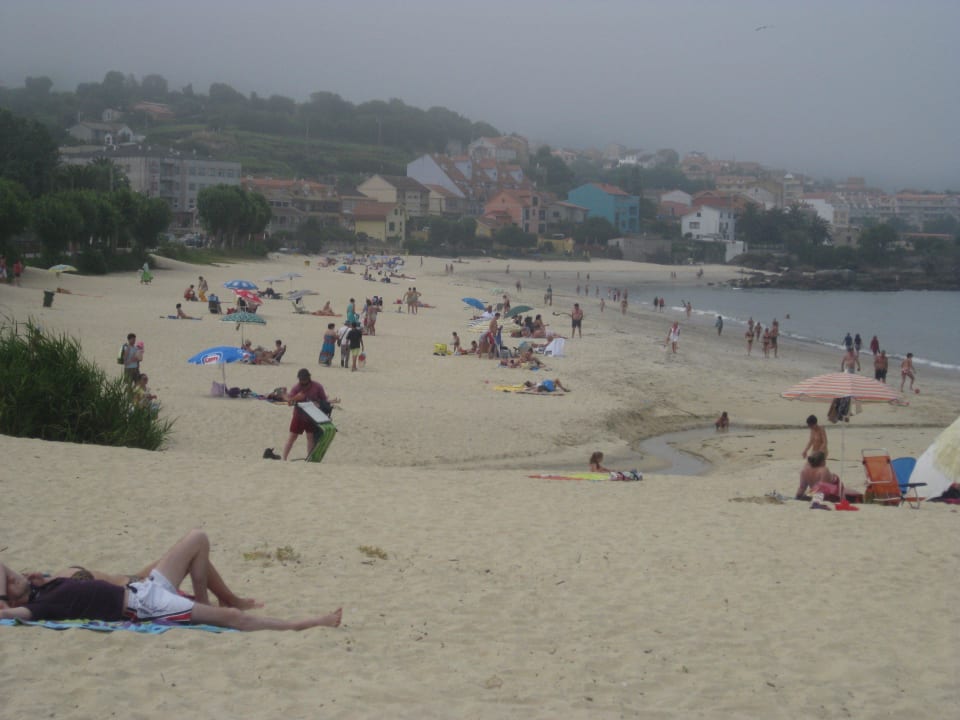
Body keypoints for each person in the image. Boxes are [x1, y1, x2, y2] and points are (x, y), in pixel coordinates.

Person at [0, 529, 342, 632]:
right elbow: (11, 614)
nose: (13, 576)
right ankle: (307, 623)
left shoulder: (44, 586)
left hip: (142, 588)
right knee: (236, 620)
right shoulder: (39, 608)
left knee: (198, 538)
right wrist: (8, 602)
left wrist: (31, 581)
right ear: (11, 601)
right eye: (9, 583)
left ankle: (204, 606)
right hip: (145, 605)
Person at [282, 369, 340, 460]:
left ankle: (309, 458)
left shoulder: (317, 386)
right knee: (292, 437)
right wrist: (297, 397)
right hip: (298, 416)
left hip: (312, 417)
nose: (303, 384)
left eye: (305, 381)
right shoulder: (296, 388)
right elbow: (289, 403)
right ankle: (284, 458)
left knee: (310, 438)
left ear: (309, 378)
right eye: (301, 381)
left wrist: (319, 402)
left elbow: (323, 400)